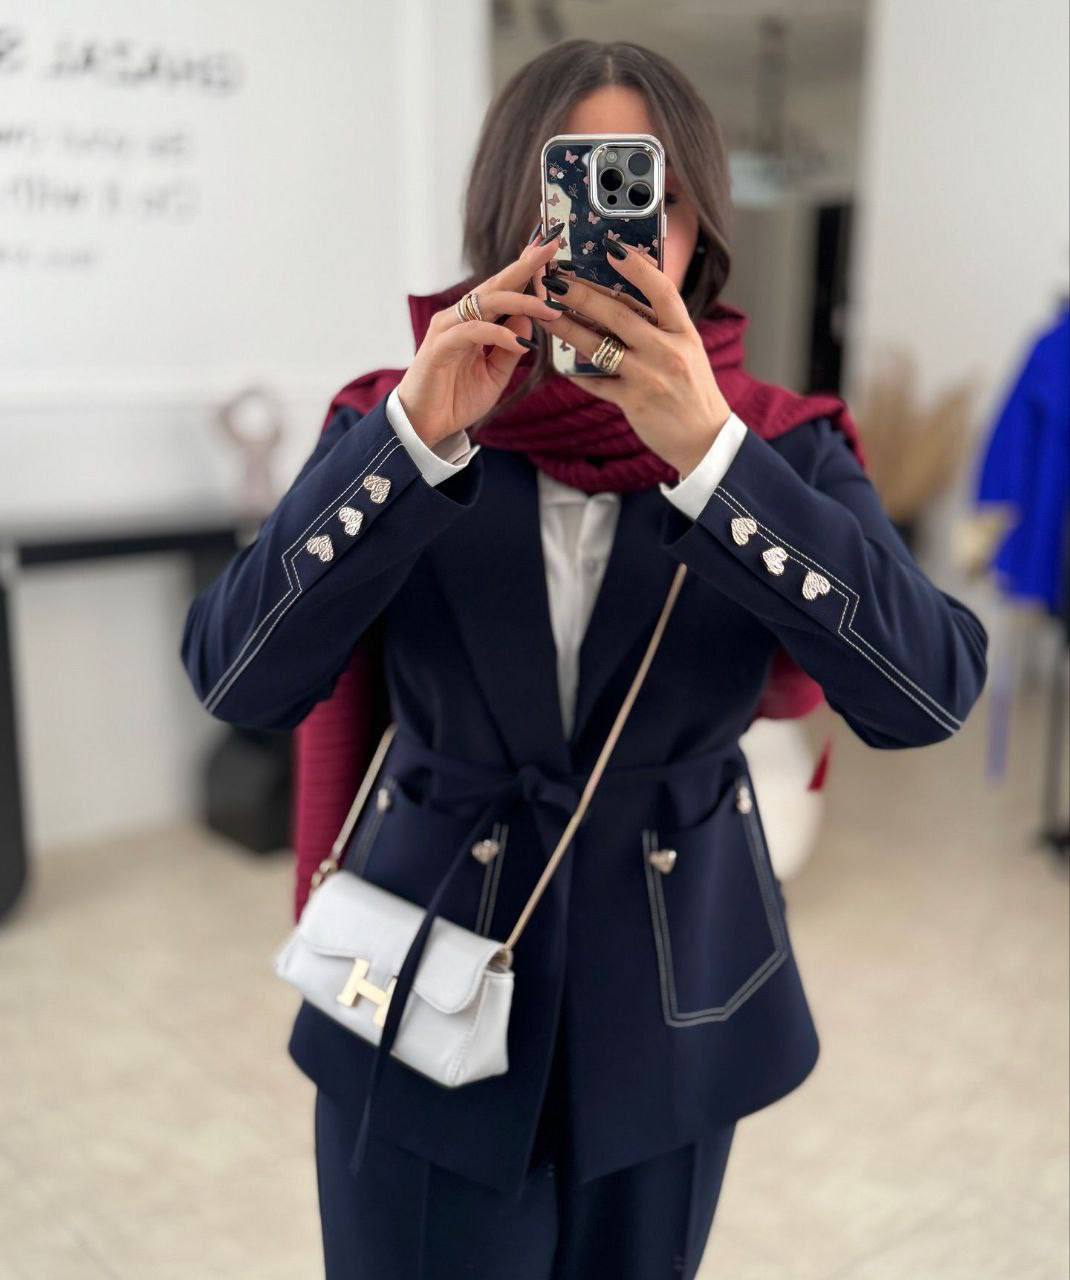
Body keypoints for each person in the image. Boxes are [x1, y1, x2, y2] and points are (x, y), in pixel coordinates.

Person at [180, 39, 988, 1280]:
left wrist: (711, 461)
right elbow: (236, 675)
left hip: (671, 1008)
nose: (613, 232)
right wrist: (413, 441)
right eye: (573, 186)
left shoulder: (780, 447)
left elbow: (926, 691)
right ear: (511, 212)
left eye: (647, 192)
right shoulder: (393, 416)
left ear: (695, 228)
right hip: (416, 984)